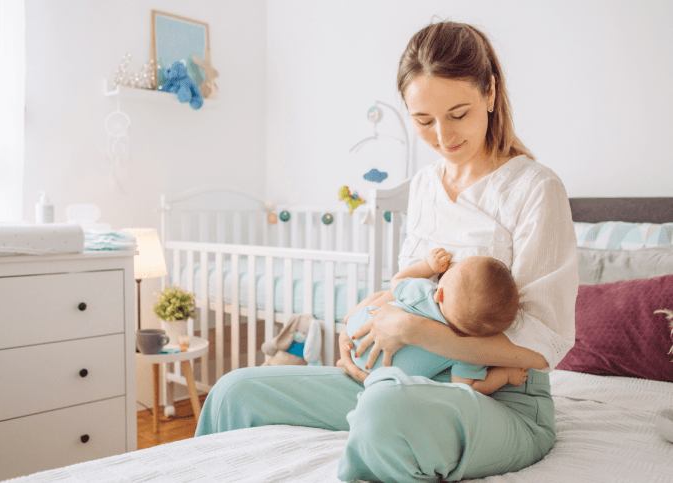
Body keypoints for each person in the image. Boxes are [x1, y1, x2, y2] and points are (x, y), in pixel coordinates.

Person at [195, 20, 577, 483]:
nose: (443, 136)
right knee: (235, 390)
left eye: (459, 113)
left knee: (386, 411)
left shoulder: (535, 188)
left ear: (491, 93)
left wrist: (415, 331)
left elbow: (543, 345)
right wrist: (365, 319)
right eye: (423, 121)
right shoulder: (423, 187)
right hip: (398, 379)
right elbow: (409, 288)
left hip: (497, 400)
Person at [346, 247, 528, 394]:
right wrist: (504, 375)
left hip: (358, 334)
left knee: (383, 294)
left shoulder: (423, 291)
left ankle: (349, 317)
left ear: (439, 293)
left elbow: (397, 280)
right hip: (389, 378)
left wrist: (428, 266)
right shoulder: (471, 351)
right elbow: (467, 388)